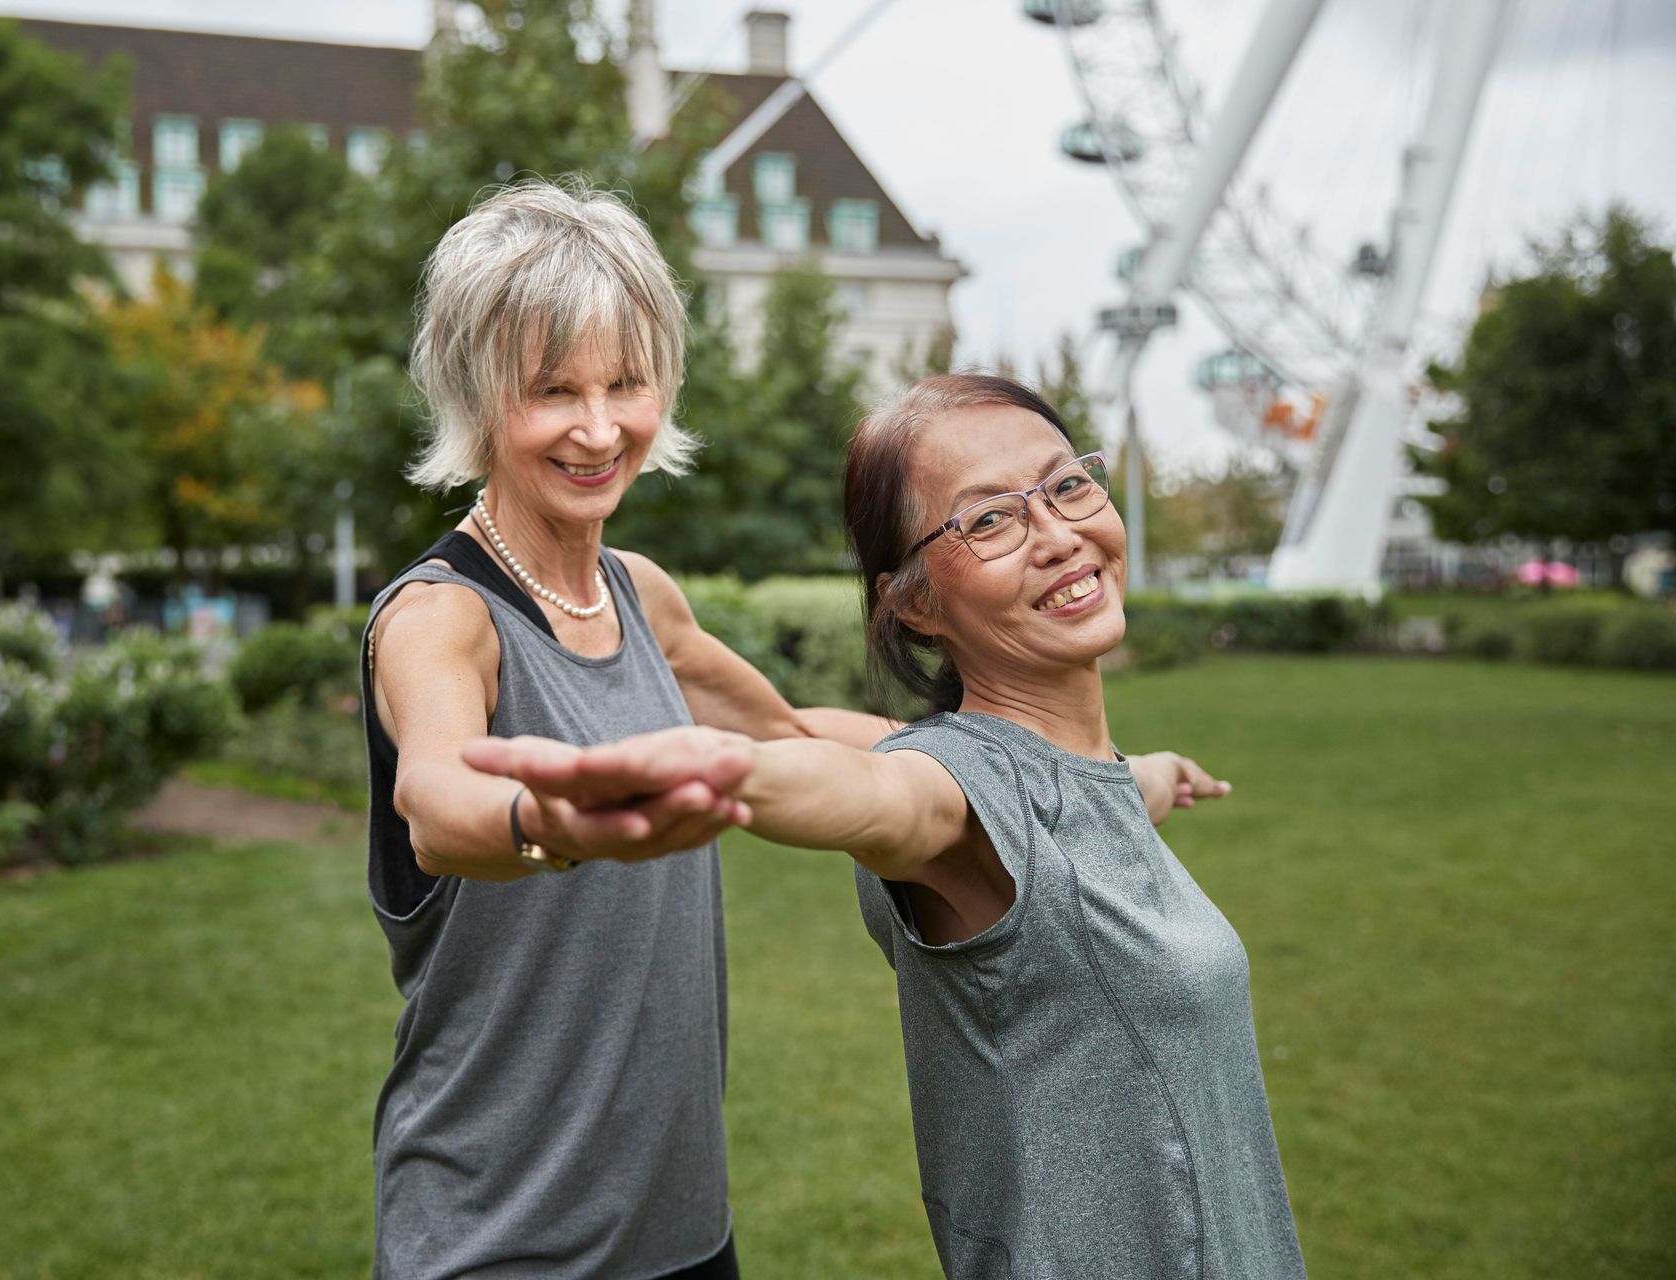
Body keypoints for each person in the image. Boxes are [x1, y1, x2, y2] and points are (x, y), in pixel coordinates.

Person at [364, 185, 1225, 1279]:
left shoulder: (639, 595)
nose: (599, 427)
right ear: (477, 397)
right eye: (552, 391)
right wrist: (554, 817)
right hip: (495, 1236)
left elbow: (798, 731)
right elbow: (437, 805)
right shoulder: (439, 617)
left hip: (678, 1229)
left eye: (625, 383)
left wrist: (1105, 778)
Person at [466, 374, 1303, 1279]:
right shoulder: (954, 791)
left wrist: (1156, 776)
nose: (1060, 536)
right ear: (914, 603)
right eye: (988, 521)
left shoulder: (1071, 780)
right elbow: (875, 795)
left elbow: (1081, 798)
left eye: (1066, 485)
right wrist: (723, 774)